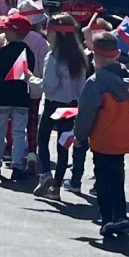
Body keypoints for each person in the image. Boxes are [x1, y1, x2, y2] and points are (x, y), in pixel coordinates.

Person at [77, 30, 129, 239]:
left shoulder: (95, 82)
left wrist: (79, 135)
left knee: (103, 180)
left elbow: (87, 113)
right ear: (117, 54)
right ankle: (120, 215)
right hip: (124, 137)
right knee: (117, 177)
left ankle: (107, 218)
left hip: (103, 138)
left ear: (95, 55)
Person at [35, 18, 90, 200]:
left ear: (58, 34)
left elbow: (49, 86)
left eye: (49, 32)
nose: (47, 35)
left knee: (42, 139)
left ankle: (45, 173)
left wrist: (30, 79)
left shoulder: (54, 57)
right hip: (72, 105)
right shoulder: (79, 57)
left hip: (54, 104)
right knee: (63, 146)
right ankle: (56, 187)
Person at [0, 13, 39, 183]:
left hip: (2, 98)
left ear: (14, 32)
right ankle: (17, 165)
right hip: (21, 98)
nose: (5, 33)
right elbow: (28, 75)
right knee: (19, 132)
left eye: (7, 30)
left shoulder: (3, 52)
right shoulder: (28, 52)